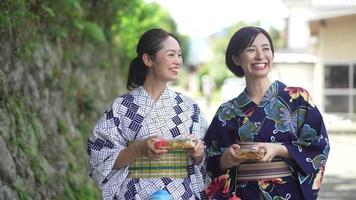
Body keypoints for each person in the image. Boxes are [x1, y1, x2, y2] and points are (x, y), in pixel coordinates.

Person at [204, 26, 330, 200]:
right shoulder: (226, 112)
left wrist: (279, 149)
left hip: (287, 193)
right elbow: (209, 158)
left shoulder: (298, 98)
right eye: (251, 50)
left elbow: (319, 146)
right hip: (243, 194)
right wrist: (226, 159)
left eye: (266, 49)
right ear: (236, 59)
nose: (260, 56)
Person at [87, 28, 209, 200]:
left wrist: (198, 153)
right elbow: (100, 155)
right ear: (148, 59)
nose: (178, 61)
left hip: (181, 193)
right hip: (134, 193)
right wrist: (138, 149)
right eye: (171, 55)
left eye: (179, 55)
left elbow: (209, 154)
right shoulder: (122, 107)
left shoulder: (189, 106)